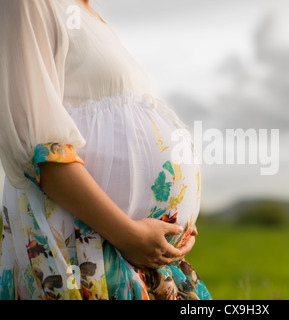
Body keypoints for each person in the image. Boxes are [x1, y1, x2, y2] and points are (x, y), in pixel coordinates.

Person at [0, 0, 211, 300]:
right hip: (86, 250)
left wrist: (177, 228)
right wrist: (129, 235)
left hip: (134, 257)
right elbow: (40, 148)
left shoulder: (88, 15)